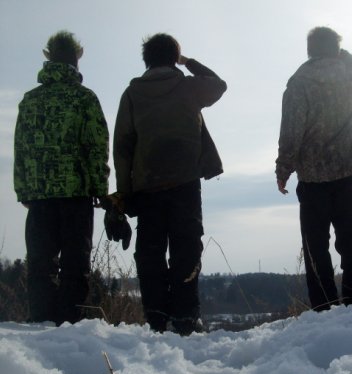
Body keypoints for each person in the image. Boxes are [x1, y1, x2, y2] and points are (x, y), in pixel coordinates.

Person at [113, 33, 226, 335]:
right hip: (185, 183)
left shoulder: (132, 94)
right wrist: (188, 62)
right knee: (186, 249)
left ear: (146, 60)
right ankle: (186, 319)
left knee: (150, 253)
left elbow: (122, 147)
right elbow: (218, 85)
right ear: (174, 58)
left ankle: (156, 319)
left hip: (146, 187)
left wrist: (124, 194)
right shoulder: (188, 87)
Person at [13, 30, 110, 324]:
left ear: (49, 58)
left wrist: (24, 192)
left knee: (40, 265)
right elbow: (97, 148)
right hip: (76, 195)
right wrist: (100, 190)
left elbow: (21, 148)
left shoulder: (30, 100)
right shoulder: (84, 98)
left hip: (39, 198)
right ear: (76, 60)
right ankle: (69, 325)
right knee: (75, 265)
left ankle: (41, 323)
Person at [276, 27, 352, 311]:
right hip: (346, 170)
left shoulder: (299, 83)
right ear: (336, 49)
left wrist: (283, 168)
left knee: (316, 246)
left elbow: (291, 131)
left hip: (312, 176)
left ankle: (324, 307)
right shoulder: (349, 76)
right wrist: (343, 55)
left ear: (310, 50)